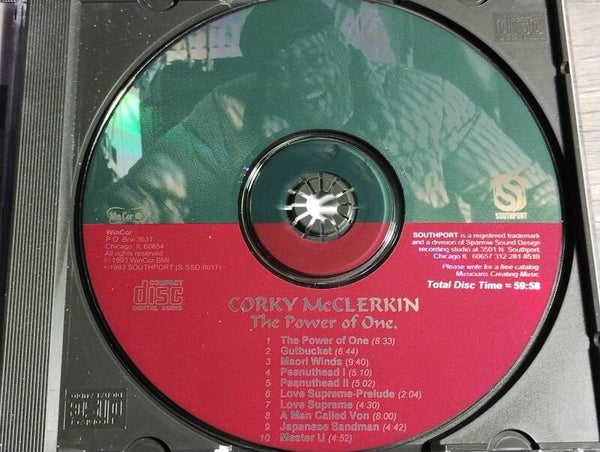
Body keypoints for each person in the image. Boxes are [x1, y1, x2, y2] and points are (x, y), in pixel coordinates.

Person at [85, 0, 559, 225]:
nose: (302, 83)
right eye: (280, 70)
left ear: (340, 46)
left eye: (312, 60)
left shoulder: (426, 97)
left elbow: (528, 197)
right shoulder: (230, 108)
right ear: (262, 77)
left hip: (420, 296)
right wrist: (119, 214)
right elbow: (159, 187)